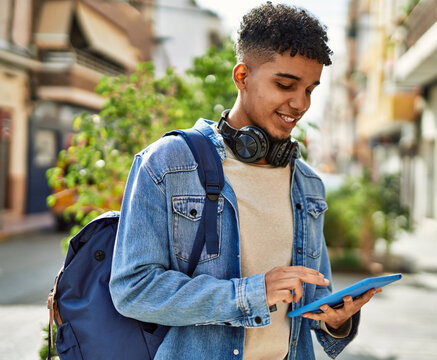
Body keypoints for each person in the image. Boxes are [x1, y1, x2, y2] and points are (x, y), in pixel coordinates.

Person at [110, 3, 380, 359]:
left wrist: (335, 321)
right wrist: (250, 294)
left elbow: (310, 303)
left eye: (311, 90)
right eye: (285, 84)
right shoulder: (167, 163)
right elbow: (133, 289)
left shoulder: (307, 184)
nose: (300, 104)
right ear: (242, 76)